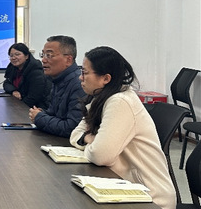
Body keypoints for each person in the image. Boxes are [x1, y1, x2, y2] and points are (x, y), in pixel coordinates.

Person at [69, 46, 176, 209]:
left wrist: (89, 140)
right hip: (123, 187)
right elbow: (75, 135)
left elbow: (100, 155)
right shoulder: (99, 99)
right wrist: (90, 140)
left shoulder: (121, 102)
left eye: (84, 72)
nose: (80, 77)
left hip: (151, 197)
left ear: (106, 78)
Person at [28, 35, 85, 137]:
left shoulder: (79, 84)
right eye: (43, 55)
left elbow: (72, 128)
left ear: (68, 60)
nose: (43, 60)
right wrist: (42, 113)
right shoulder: (57, 79)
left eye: (49, 55)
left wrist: (40, 118)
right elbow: (55, 114)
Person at [2, 42, 51, 108]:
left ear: (26, 56)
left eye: (17, 54)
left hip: (37, 108)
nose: (13, 58)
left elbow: (33, 97)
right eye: (11, 55)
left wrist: (19, 108)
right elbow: (6, 83)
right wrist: (13, 91)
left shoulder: (36, 72)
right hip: (21, 104)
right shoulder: (13, 69)